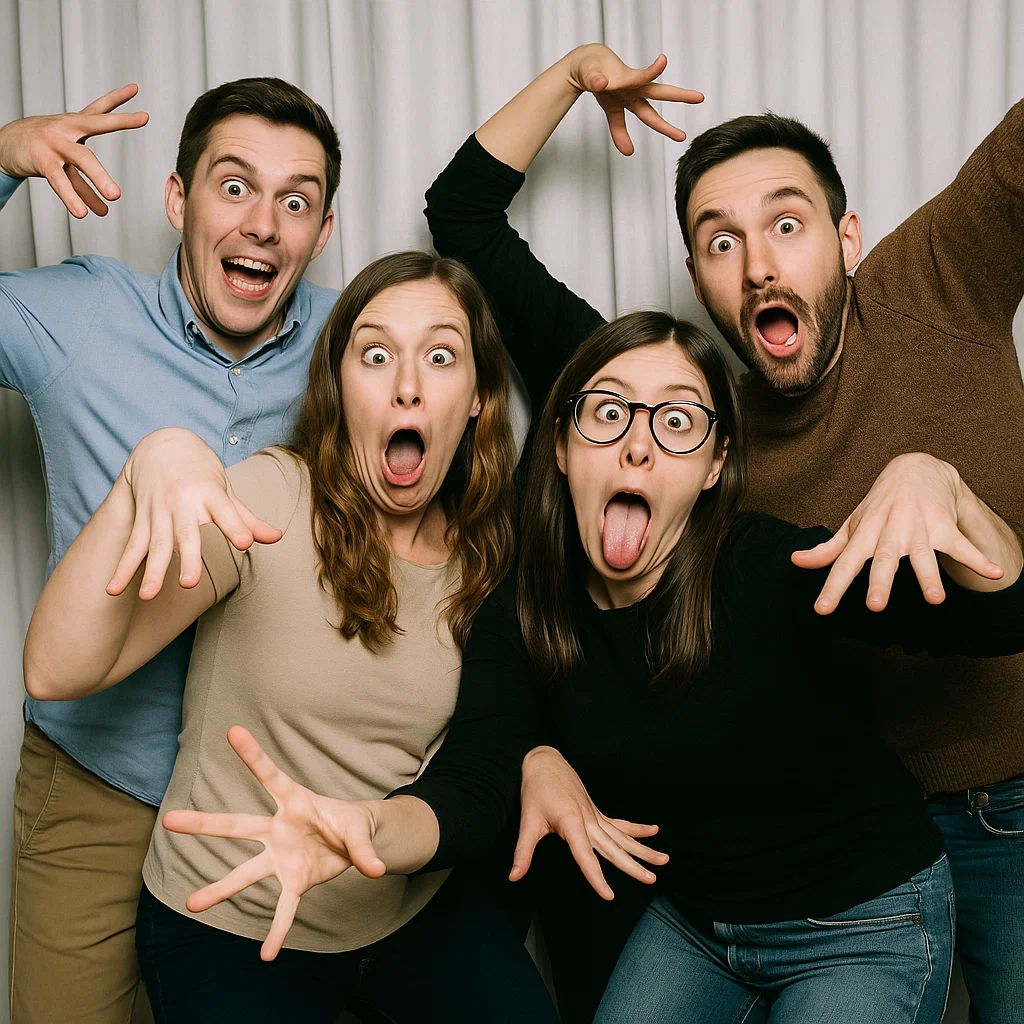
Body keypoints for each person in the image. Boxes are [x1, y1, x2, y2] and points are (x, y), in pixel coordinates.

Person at [146, 310, 1024, 1023]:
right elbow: (477, 779)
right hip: (698, 924)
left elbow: (1003, 619)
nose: (638, 446)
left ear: (718, 465)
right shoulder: (528, 605)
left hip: (864, 918)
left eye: (678, 422)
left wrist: (935, 481)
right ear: (561, 444)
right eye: (609, 412)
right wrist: (369, 831)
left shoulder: (765, 570)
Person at [424, 43, 1024, 1021]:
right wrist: (574, 73)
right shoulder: (679, 426)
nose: (757, 263)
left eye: (786, 224)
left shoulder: (932, 277)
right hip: (788, 845)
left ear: (846, 237)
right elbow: (462, 216)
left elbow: (1003, 617)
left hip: (1004, 795)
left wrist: (941, 488)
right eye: (717, 239)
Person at [22, 251, 562, 1024]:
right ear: (339, 388)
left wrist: (370, 828)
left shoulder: (493, 556)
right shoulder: (269, 501)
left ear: (479, 395)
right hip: (228, 919)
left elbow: (479, 774)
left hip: (405, 909)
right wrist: (145, 470)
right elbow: (54, 669)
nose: (407, 385)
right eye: (375, 355)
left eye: (440, 357)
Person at [0, 77, 342, 1019]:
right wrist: (0, 159)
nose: (264, 224)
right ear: (176, 198)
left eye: (296, 201)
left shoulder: (354, 343)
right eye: (234, 186)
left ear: (319, 231)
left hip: (277, 797)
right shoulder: (77, 317)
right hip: (99, 783)